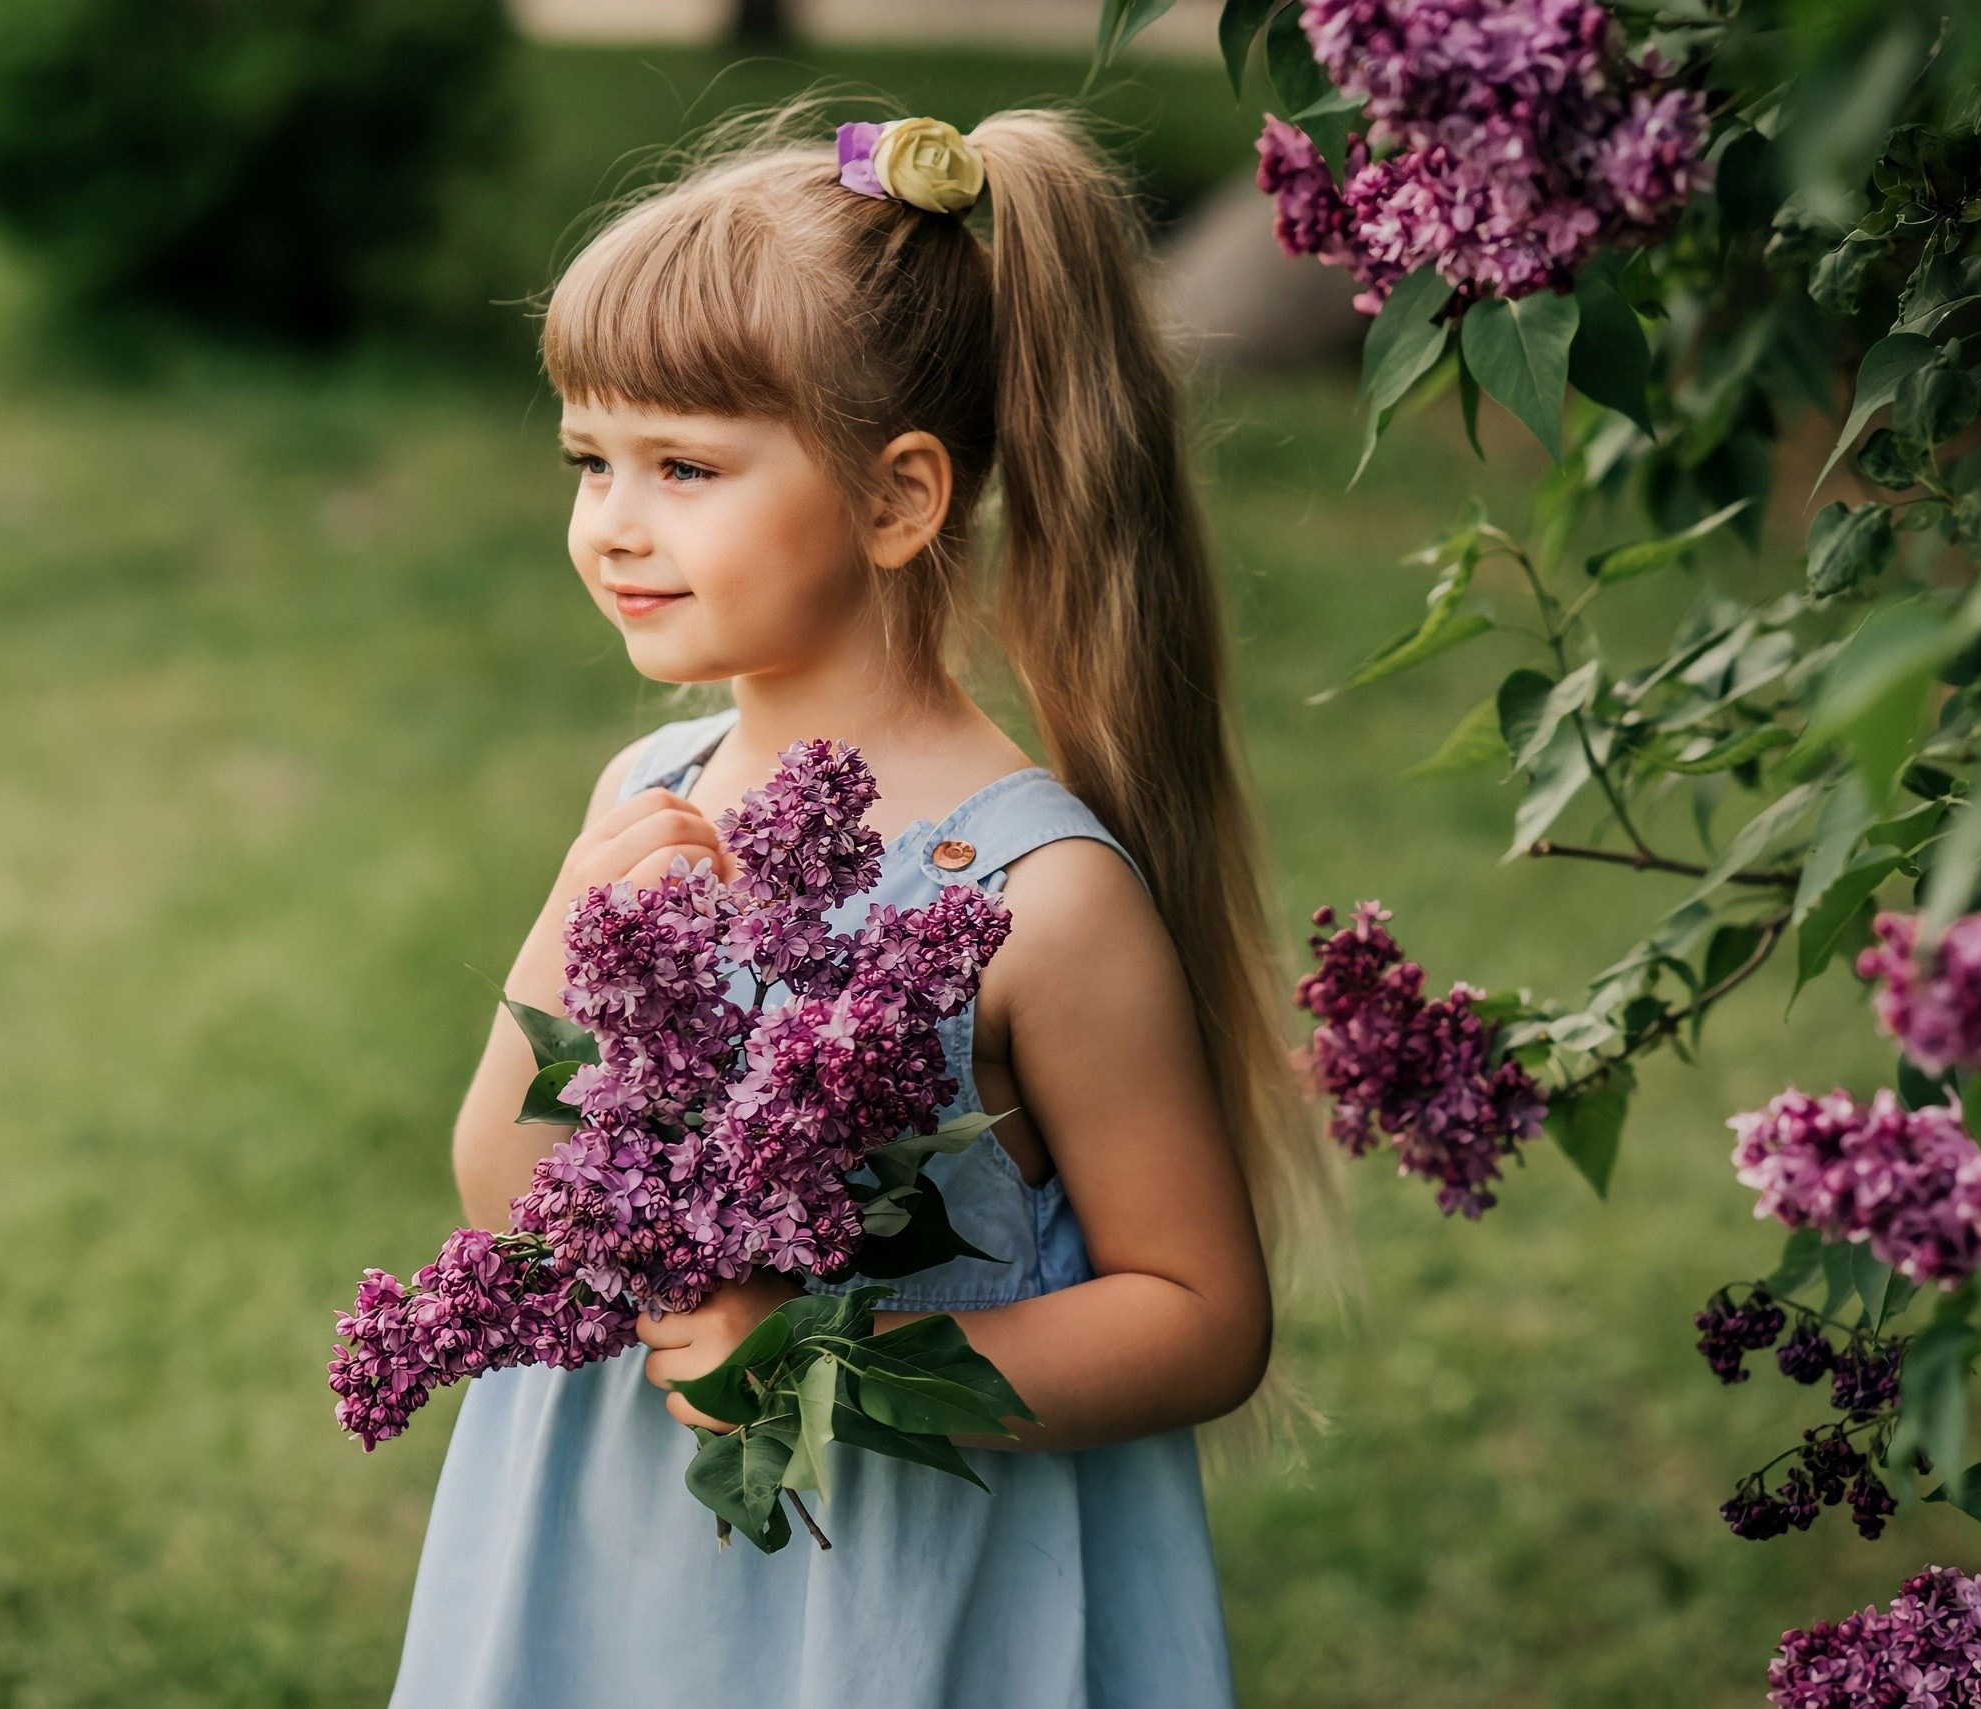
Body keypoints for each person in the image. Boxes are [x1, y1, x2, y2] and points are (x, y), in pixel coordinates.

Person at [387, 105, 1346, 1709]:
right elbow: (509, 1191)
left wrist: (833, 1366)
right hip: (612, 1552)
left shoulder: (1041, 899)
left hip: (901, 1597)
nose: (610, 522)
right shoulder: (648, 794)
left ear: (900, 499)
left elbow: (1197, 1318)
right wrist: (570, 920)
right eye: (590, 460)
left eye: (683, 466)